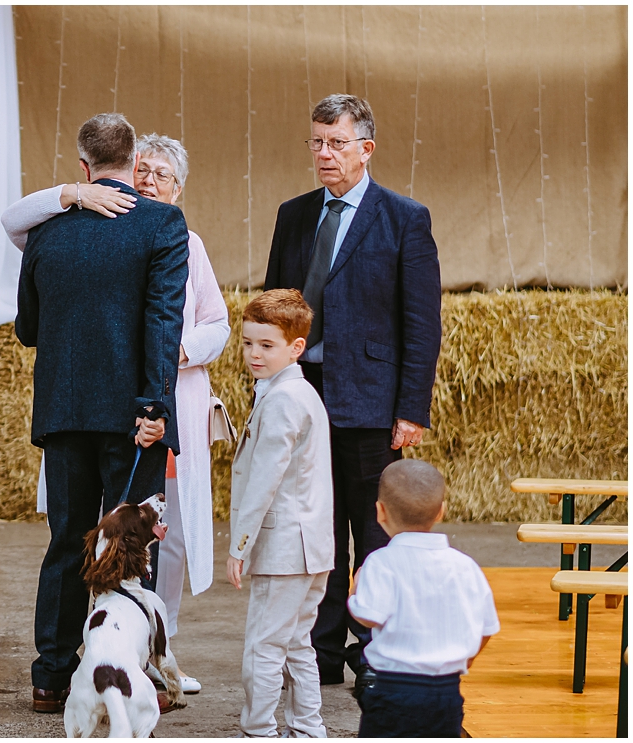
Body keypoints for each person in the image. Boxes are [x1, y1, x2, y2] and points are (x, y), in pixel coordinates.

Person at [2, 133, 230, 695]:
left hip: (63, 412)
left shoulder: (45, 231)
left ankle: (52, 676)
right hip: (132, 420)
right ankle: (133, 671)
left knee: (64, 541)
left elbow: (26, 328)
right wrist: (156, 406)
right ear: (132, 166)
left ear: (83, 166)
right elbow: (160, 321)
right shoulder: (160, 226)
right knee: (131, 544)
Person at [262, 93, 442, 693]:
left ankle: (375, 652)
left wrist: (411, 410)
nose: (324, 154)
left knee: (370, 532)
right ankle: (319, 653)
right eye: (316, 141)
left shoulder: (403, 217)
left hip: (371, 400)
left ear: (367, 149)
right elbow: (274, 309)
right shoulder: (293, 214)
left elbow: (421, 323)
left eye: (336, 143)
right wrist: (267, 386)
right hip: (301, 396)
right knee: (314, 530)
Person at [226, 289, 333, 738]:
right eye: (248, 342)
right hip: (311, 548)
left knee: (263, 648)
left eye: (266, 345)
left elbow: (264, 480)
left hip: (285, 546)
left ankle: (259, 731)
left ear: (296, 347)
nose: (254, 354)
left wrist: (239, 546)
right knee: (296, 644)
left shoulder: (285, 400)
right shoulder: (297, 391)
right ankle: (309, 729)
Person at [348, 459, 499, 737]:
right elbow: (487, 628)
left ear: (380, 512)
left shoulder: (380, 563)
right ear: (441, 511)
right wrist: (465, 660)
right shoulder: (465, 566)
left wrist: (354, 591)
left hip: (391, 690)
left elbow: (368, 615)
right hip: (445, 692)